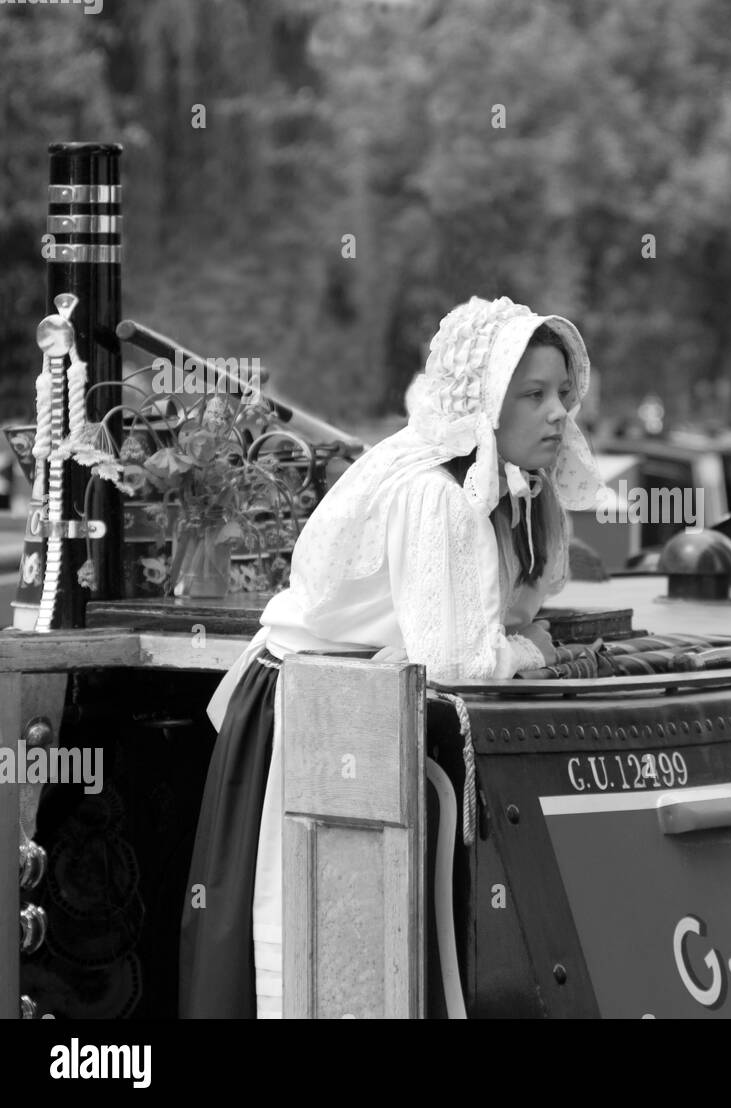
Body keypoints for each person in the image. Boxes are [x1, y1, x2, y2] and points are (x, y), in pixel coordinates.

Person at [178, 295, 605, 1018]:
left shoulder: (499, 485)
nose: (558, 413)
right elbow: (456, 662)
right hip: (310, 718)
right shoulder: (435, 494)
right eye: (532, 395)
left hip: (352, 709)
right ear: (480, 406)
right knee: (308, 963)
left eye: (563, 393)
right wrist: (531, 653)